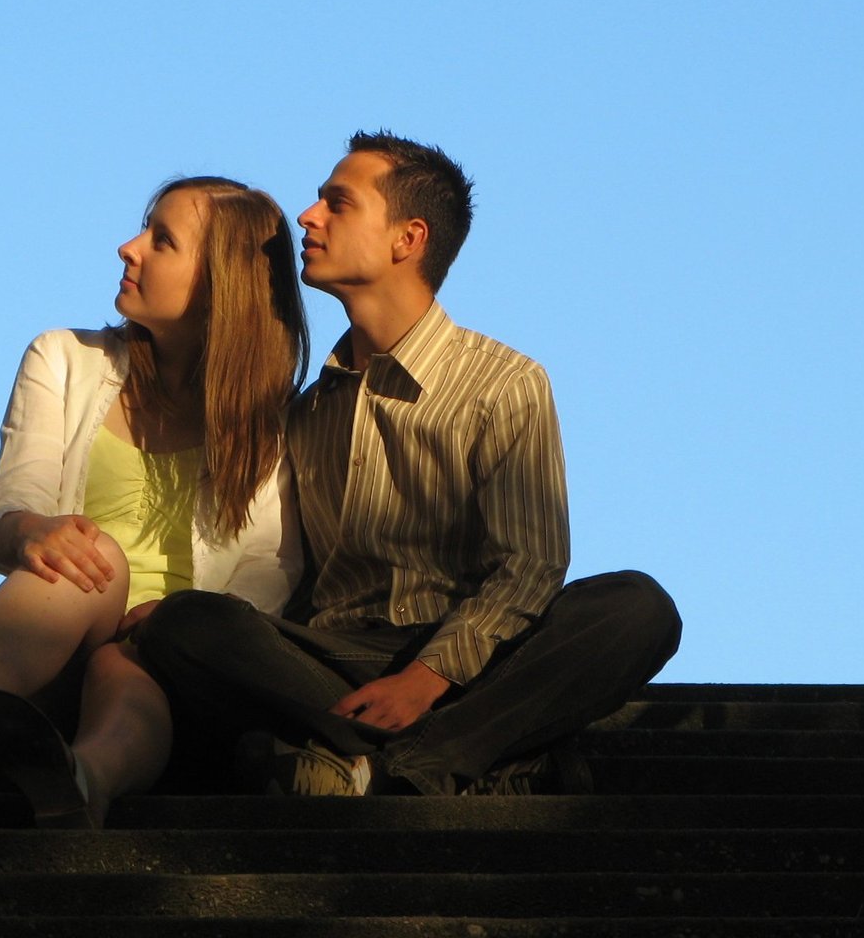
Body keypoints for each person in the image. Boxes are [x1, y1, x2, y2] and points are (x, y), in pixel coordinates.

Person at [139, 132, 682, 796]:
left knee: (637, 608)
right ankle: (486, 760)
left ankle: (401, 764)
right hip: (339, 660)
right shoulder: (307, 412)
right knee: (187, 625)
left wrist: (427, 679)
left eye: (338, 203)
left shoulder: (502, 382)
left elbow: (530, 566)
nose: (308, 217)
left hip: (474, 660)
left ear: (407, 239)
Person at [0, 176, 309, 825]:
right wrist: (29, 532)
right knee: (88, 554)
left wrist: (172, 620)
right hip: (56, 638)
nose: (128, 248)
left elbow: (268, 581)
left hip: (177, 676)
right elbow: (8, 507)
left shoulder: (274, 426)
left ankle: (81, 779)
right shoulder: (64, 358)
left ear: (221, 284)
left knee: (127, 659)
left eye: (161, 241)